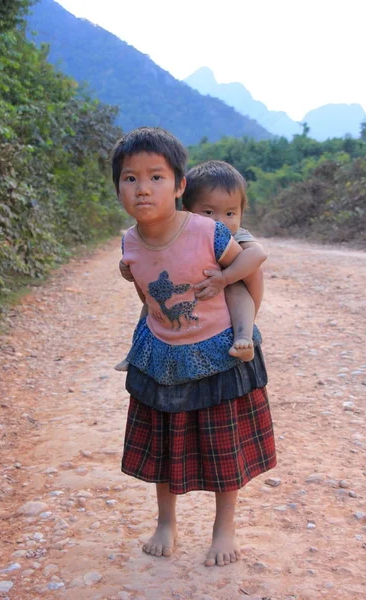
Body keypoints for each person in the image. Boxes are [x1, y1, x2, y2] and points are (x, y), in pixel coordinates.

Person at [112, 126, 276, 567]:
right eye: (130, 178)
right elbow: (146, 295)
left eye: (156, 177)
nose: (143, 188)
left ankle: (225, 527)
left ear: (180, 186)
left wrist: (245, 321)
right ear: (117, 188)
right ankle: (166, 522)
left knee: (224, 446)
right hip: (163, 355)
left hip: (219, 354)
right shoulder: (129, 242)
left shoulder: (209, 231)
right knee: (165, 446)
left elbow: (248, 270)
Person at [115, 162, 267, 371]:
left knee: (236, 291)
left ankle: (244, 337)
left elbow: (258, 254)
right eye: (208, 212)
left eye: (230, 214)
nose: (220, 221)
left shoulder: (237, 235)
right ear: (187, 211)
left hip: (230, 286)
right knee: (151, 306)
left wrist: (226, 277)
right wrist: (127, 268)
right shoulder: (187, 233)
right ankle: (136, 353)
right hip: (194, 295)